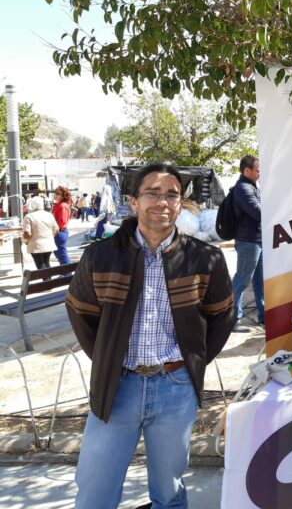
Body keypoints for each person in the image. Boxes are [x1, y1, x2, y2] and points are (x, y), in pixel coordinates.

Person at [65, 163, 236, 509]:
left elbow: (222, 315)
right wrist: (108, 358)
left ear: (181, 203)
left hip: (175, 387)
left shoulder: (205, 258)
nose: (163, 202)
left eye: (172, 195)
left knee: (169, 493)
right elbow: (81, 312)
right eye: (153, 194)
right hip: (117, 387)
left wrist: (193, 361)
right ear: (134, 201)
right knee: (94, 494)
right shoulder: (101, 256)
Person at [231, 155, 265, 330]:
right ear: (247, 170)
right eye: (258, 171)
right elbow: (259, 212)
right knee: (242, 280)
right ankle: (233, 320)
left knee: (260, 281)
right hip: (248, 242)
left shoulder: (252, 187)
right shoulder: (243, 189)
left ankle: (264, 316)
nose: (260, 174)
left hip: (256, 240)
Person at [22, 196, 58, 271]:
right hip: (48, 243)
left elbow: (27, 234)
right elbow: (56, 229)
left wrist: (25, 242)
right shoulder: (49, 215)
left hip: (35, 245)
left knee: (41, 266)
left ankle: (46, 278)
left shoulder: (29, 217)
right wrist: (49, 236)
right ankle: (49, 278)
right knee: (46, 263)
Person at [51, 186, 72, 265]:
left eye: (58, 194)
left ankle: (67, 271)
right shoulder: (57, 205)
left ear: (63, 195)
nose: (55, 195)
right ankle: (66, 271)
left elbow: (62, 222)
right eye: (55, 193)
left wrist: (54, 231)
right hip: (58, 232)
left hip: (60, 232)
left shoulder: (62, 205)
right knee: (59, 254)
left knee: (62, 255)